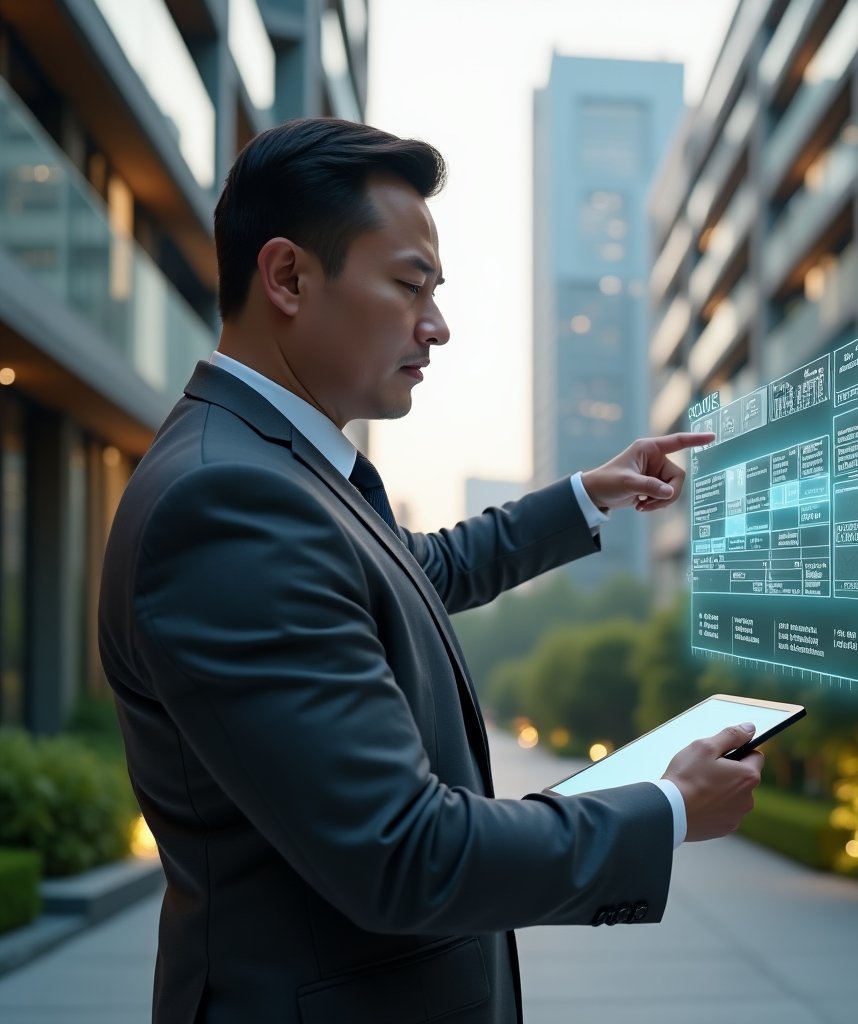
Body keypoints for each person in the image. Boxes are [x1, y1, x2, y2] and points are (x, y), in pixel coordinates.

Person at [98, 118, 764, 1024]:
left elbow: (416, 572)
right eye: (410, 285)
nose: (437, 326)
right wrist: (668, 808)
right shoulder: (228, 502)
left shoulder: (277, 470)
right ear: (288, 277)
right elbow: (405, 852)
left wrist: (586, 496)